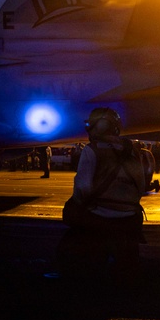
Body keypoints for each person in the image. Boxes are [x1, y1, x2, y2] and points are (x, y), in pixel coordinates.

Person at [57, 107, 148, 282]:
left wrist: (82, 204)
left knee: (90, 266)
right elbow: (141, 183)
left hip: (99, 216)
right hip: (129, 216)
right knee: (129, 268)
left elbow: (83, 187)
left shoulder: (92, 150)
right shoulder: (131, 149)